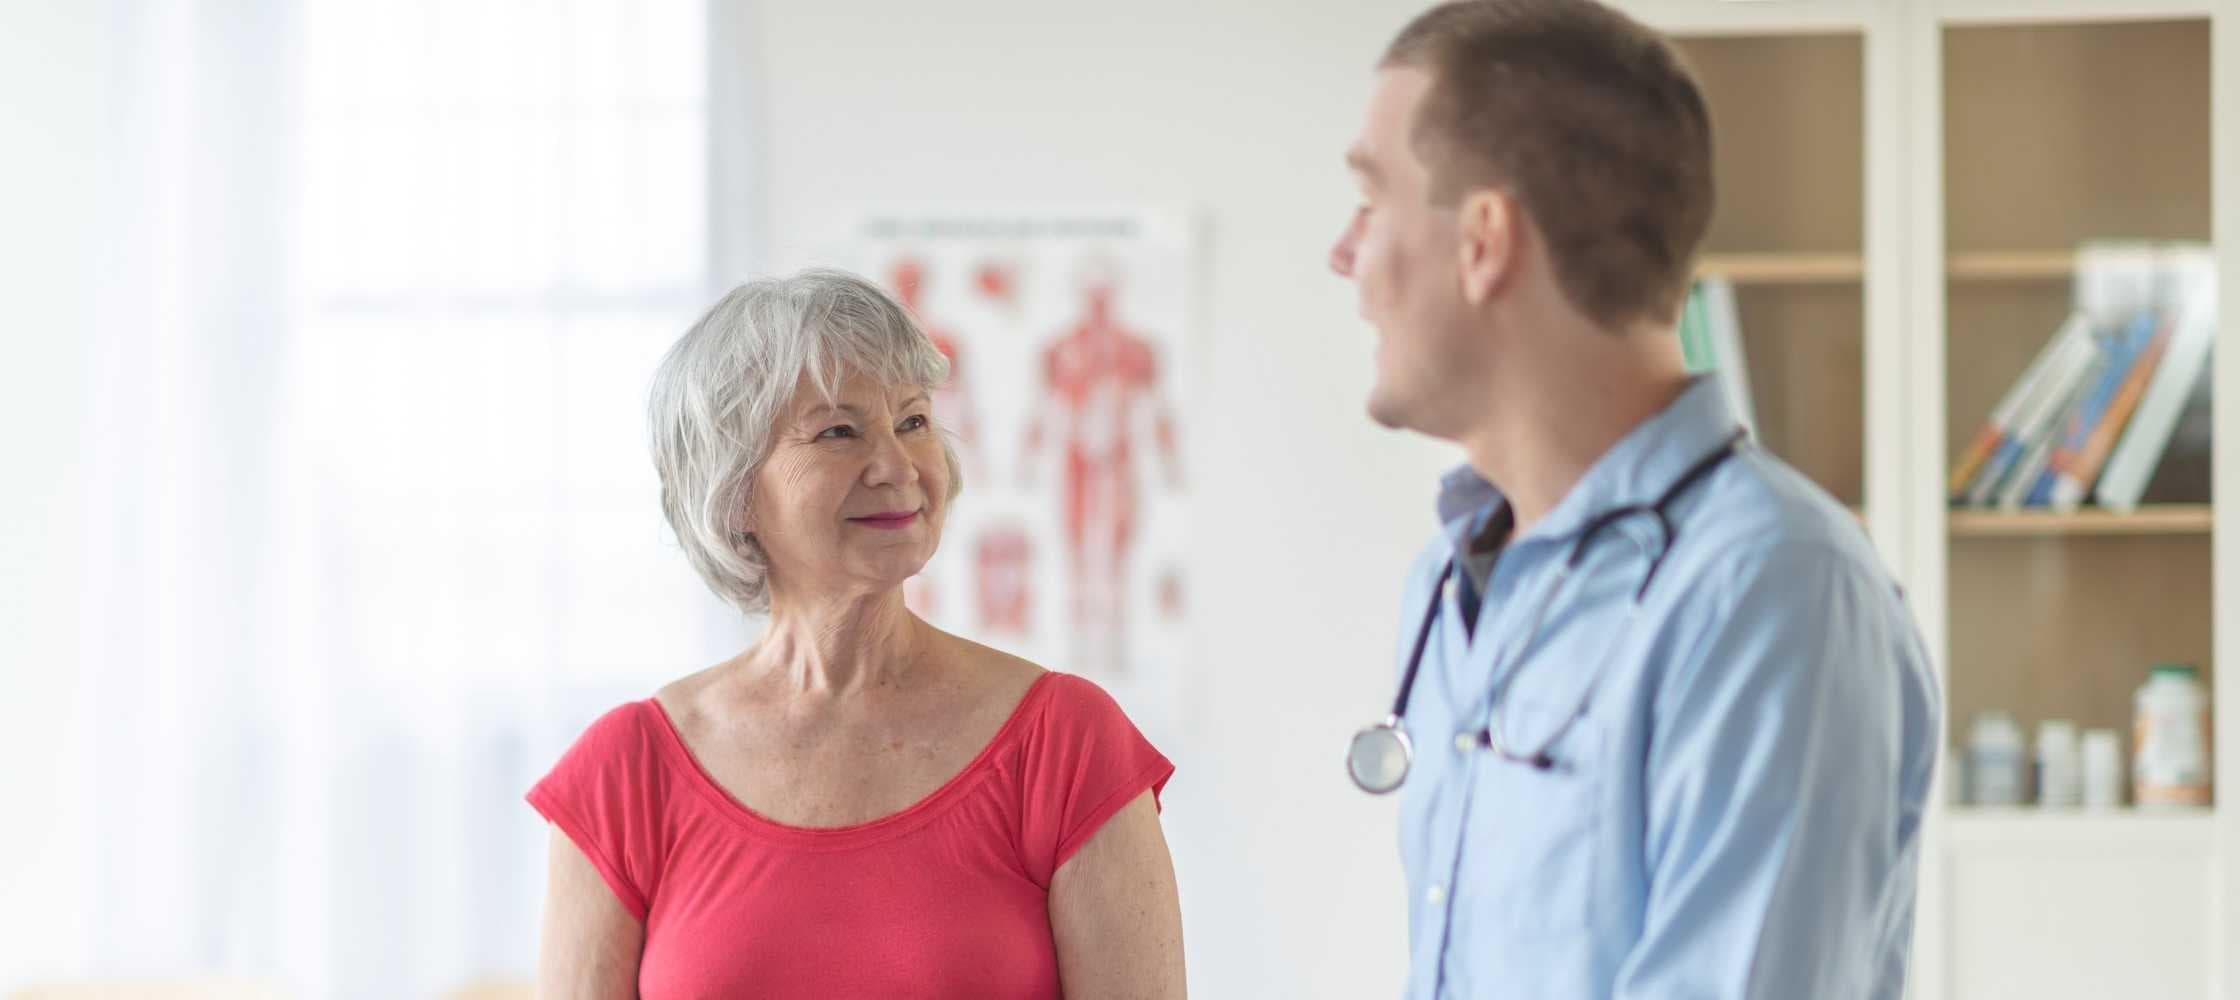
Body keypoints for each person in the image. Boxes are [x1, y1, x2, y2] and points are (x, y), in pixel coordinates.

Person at [1328, 2, 1941, 997]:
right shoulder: (1448, 586)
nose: (1343, 257)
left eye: (1371, 203)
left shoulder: (1770, 588)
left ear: (1484, 240)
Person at [527, 269, 1185, 998]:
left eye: (913, 421)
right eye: (839, 432)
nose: (897, 466)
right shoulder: (625, 774)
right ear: (736, 489)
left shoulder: (1067, 743)